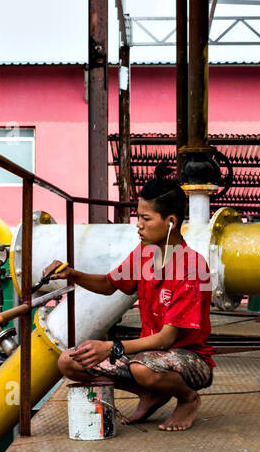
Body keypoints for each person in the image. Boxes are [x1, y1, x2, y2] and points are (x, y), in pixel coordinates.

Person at [44, 177, 214, 431]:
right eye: (139, 217)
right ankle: (150, 394)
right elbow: (109, 284)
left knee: (142, 368)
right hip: (146, 357)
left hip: (190, 359)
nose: (139, 225)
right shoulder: (145, 253)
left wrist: (111, 347)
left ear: (171, 222)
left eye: (146, 218)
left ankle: (188, 398)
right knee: (70, 361)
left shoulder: (191, 267)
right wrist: (72, 274)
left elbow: (167, 339)